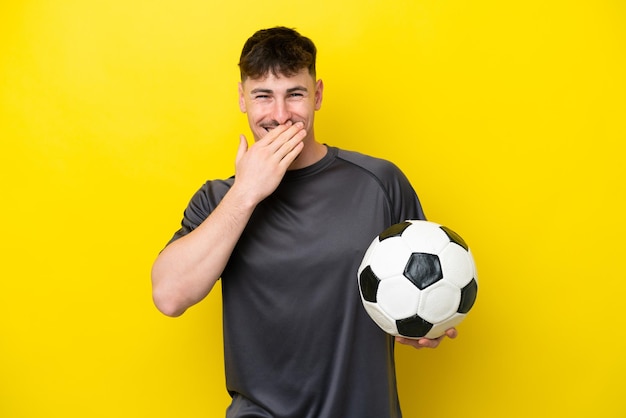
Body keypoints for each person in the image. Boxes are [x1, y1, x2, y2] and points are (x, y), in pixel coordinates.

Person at [151, 26, 457, 418]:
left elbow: (420, 281)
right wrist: (247, 192)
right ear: (242, 99)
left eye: (294, 94)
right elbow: (170, 296)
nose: (280, 115)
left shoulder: (379, 183)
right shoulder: (218, 199)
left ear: (317, 95)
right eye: (263, 96)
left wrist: (421, 323)